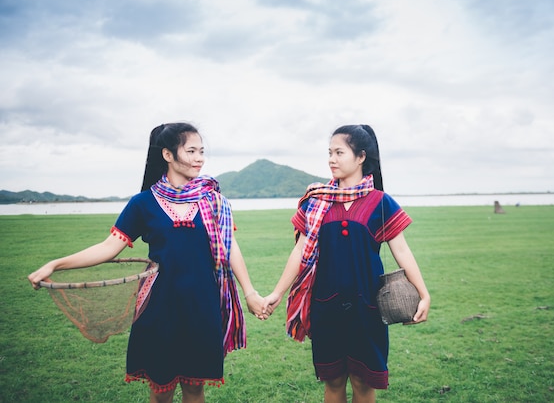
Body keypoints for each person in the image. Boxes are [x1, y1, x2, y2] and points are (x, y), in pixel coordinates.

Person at [28, 122, 266, 403]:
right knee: (160, 390)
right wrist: (56, 264)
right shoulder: (143, 203)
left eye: (201, 151)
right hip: (159, 308)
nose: (199, 158)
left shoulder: (214, 201)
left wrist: (250, 292)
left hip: (202, 305)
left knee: (195, 389)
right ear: (168, 154)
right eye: (191, 151)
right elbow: (108, 248)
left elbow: (230, 247)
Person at [264, 124, 430, 403]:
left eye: (339, 152)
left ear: (361, 156)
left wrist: (423, 294)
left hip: (368, 308)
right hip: (325, 306)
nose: (332, 159)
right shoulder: (317, 201)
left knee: (364, 384)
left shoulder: (380, 202)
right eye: (329, 152)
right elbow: (300, 251)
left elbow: (402, 251)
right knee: (334, 383)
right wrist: (277, 294)